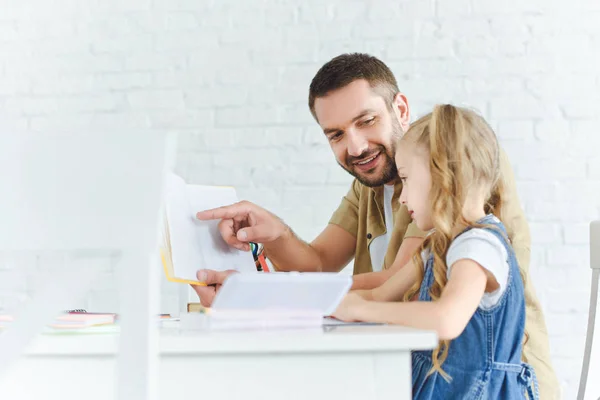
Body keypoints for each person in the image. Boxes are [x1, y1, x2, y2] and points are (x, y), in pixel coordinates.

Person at [193, 53, 559, 399]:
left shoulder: (454, 170)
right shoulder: (371, 185)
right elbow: (322, 266)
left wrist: (266, 295)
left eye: (366, 121)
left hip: (488, 387)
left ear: (400, 109)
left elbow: (398, 288)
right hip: (418, 375)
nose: (354, 147)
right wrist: (271, 248)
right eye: (335, 134)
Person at [333, 104, 537, 399]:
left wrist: (361, 310)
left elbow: (447, 319)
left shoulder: (478, 245)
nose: (401, 198)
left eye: (406, 179)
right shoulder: (438, 245)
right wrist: (323, 306)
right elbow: (381, 292)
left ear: (443, 176)